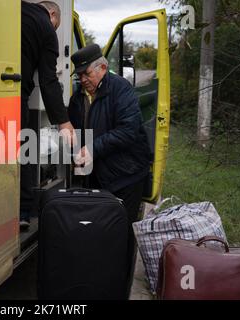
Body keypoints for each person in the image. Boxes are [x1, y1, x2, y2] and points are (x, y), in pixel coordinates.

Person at [68, 44, 152, 296]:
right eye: (79, 75)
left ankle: (119, 289)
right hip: (99, 175)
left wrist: (92, 149)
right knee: (100, 232)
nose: (83, 79)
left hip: (126, 175)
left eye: (87, 74)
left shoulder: (120, 89)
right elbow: (74, 128)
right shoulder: (79, 96)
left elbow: (128, 130)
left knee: (120, 235)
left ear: (103, 68)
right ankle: (98, 282)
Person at [20, 1, 75, 230]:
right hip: (14, 96)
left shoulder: (14, 10)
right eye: (56, 26)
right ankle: (23, 212)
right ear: (52, 14)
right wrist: (64, 121)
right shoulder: (45, 28)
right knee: (23, 152)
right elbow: (48, 81)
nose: (54, 30)